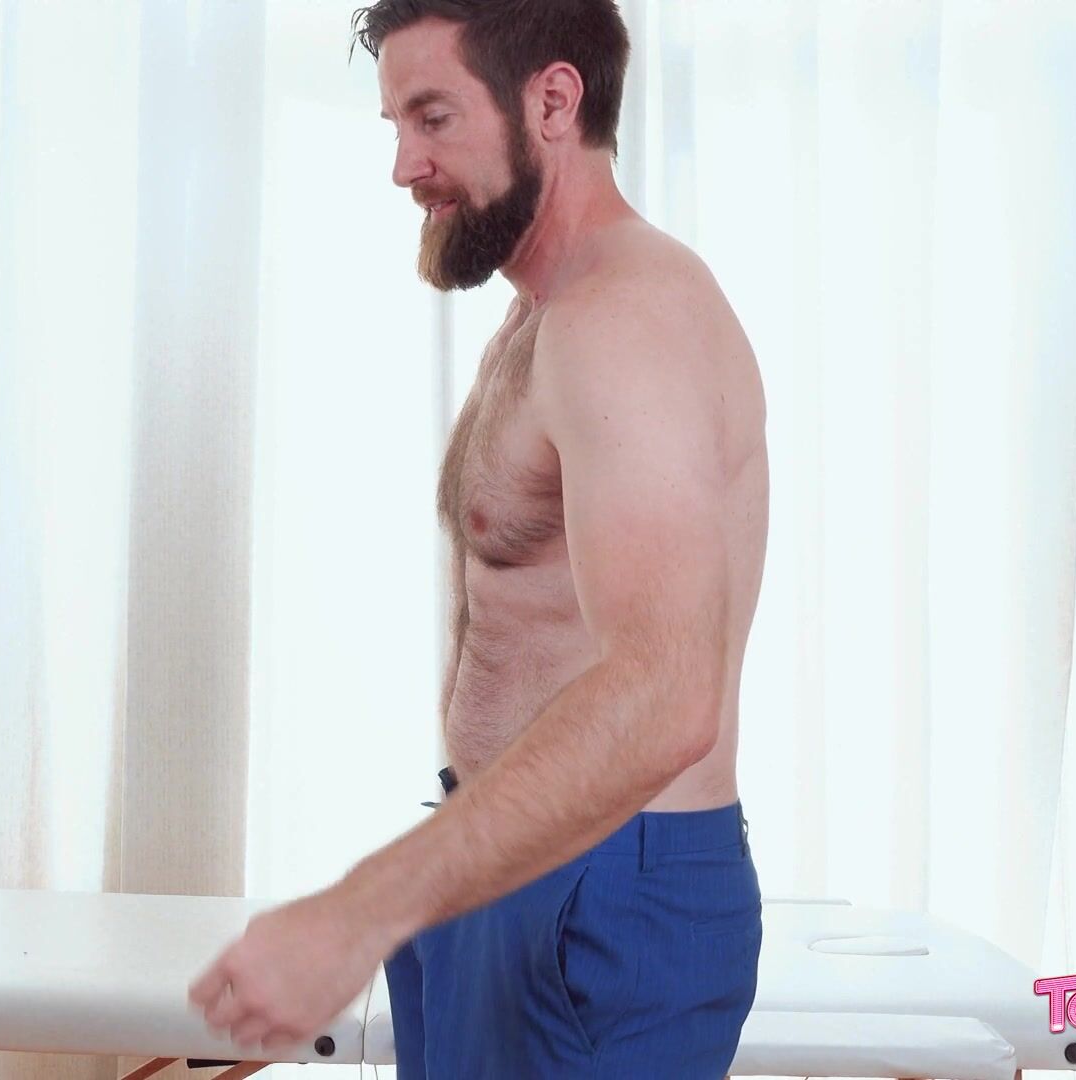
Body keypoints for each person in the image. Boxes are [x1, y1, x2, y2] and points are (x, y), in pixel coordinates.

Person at [190, 2, 770, 1074]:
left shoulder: (625, 319)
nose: (404, 167)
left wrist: (358, 911)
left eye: (433, 117)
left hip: (603, 890)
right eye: (395, 125)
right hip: (509, 865)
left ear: (552, 100)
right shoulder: (545, 311)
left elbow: (667, 690)